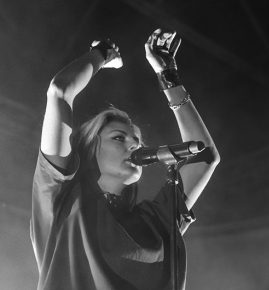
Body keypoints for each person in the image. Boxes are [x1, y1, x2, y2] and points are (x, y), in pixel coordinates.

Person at [30, 29, 220, 290]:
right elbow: (60, 92)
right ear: (89, 148)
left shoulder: (154, 220)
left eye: (137, 142)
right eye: (118, 138)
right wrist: (103, 53)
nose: (134, 144)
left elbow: (204, 156)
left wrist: (169, 78)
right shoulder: (62, 196)